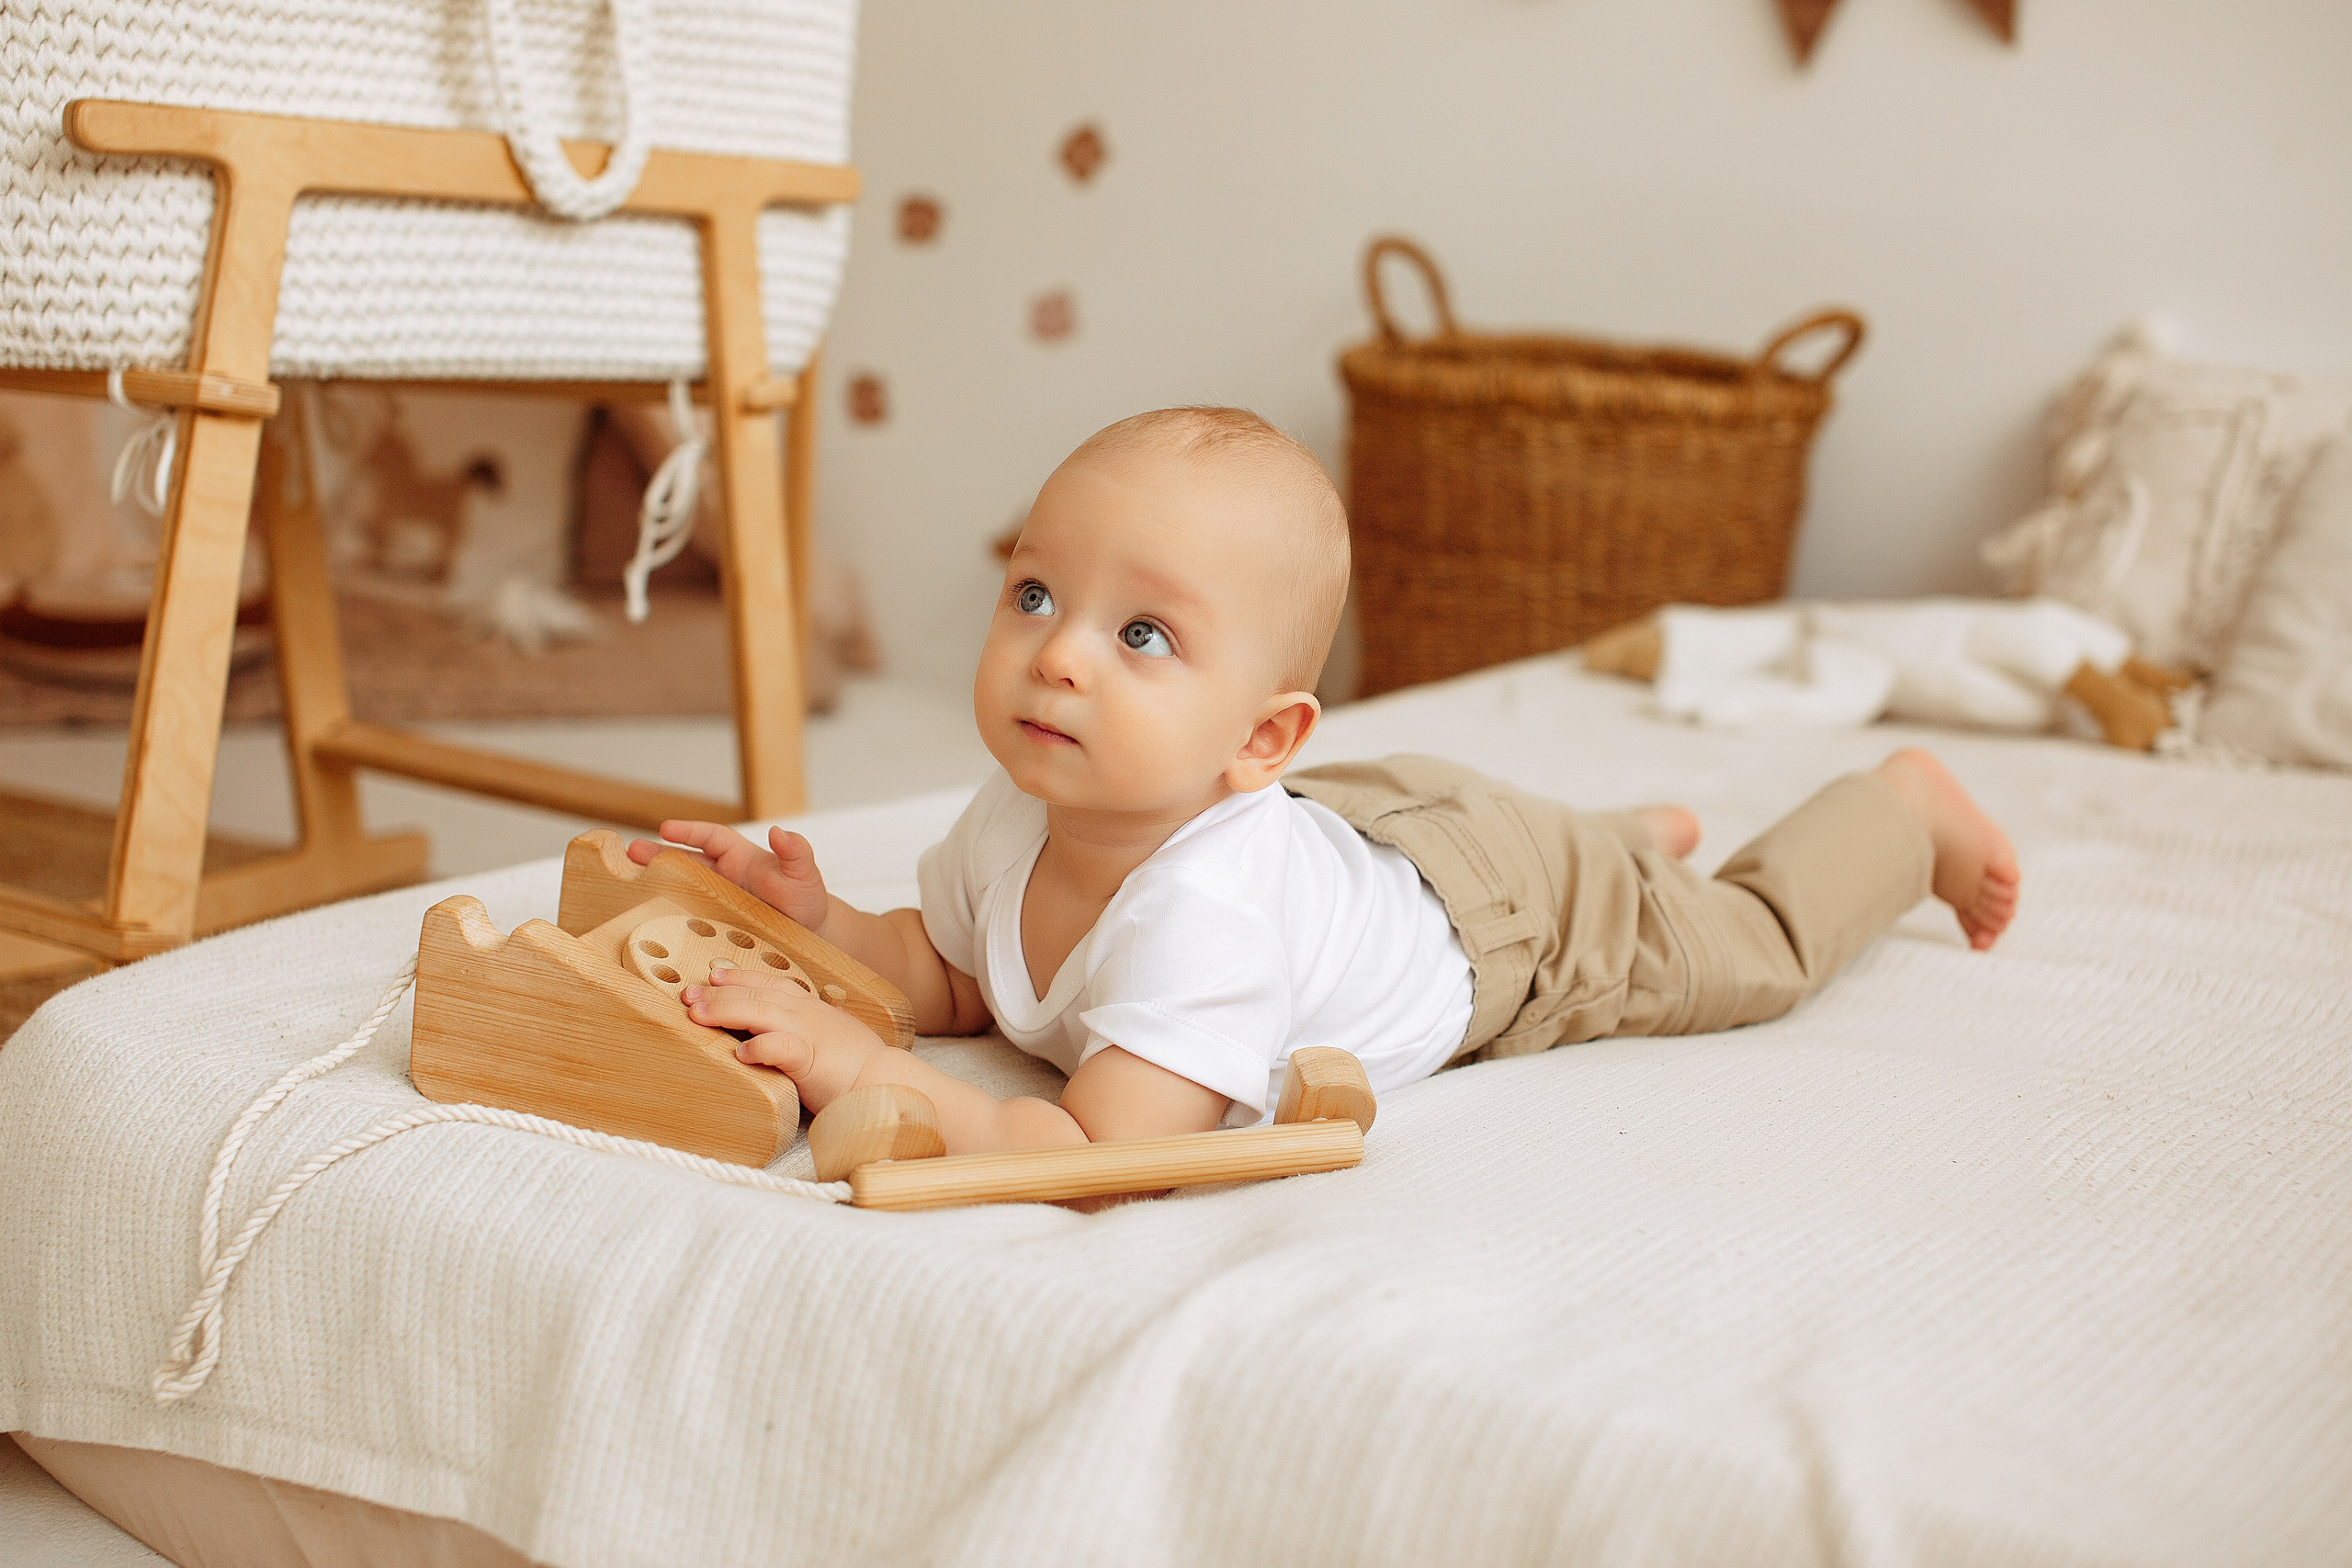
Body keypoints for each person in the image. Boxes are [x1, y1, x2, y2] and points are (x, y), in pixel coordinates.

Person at [632, 408, 2018, 1156]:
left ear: (1260, 739)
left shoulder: (1206, 917)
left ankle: (1897, 810)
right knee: (1485, 858)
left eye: (1142, 635)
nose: (1058, 660)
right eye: (1037, 594)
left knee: (1743, 950)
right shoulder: (1032, 801)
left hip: (1499, 927)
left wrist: (867, 1068)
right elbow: (960, 977)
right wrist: (825, 926)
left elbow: (1084, 1146)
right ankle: (1610, 843)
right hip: (1367, 821)